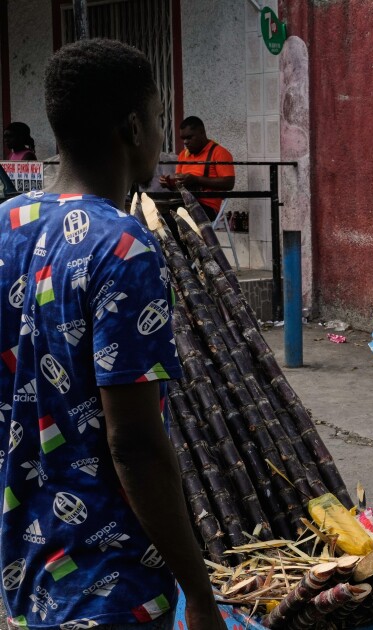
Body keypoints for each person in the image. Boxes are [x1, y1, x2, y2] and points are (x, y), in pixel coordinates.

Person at [0, 39, 222, 629]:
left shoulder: (6, 226)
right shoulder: (122, 246)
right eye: (156, 119)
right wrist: (199, 593)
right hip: (113, 587)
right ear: (131, 127)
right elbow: (135, 446)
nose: (161, 138)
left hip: (26, 569)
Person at [157, 116, 234, 220]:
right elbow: (178, 185)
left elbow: (229, 183)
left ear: (202, 132)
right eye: (183, 139)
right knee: (156, 219)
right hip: (182, 204)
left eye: (189, 137)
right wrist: (169, 184)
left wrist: (196, 179)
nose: (185, 142)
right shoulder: (183, 155)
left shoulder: (219, 152)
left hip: (206, 207)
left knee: (170, 222)